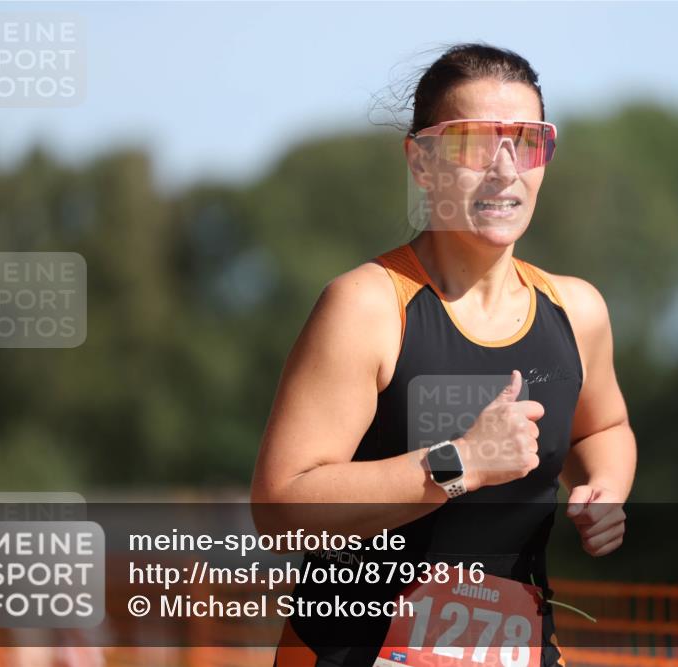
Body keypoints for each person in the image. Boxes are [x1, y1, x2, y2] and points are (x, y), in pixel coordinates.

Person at [251, 42, 637, 667]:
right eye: (475, 143)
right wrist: (460, 463)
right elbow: (281, 507)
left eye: (528, 141)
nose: (505, 168)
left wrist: (605, 489)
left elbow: (608, 426)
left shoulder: (578, 309)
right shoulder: (367, 307)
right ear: (421, 161)